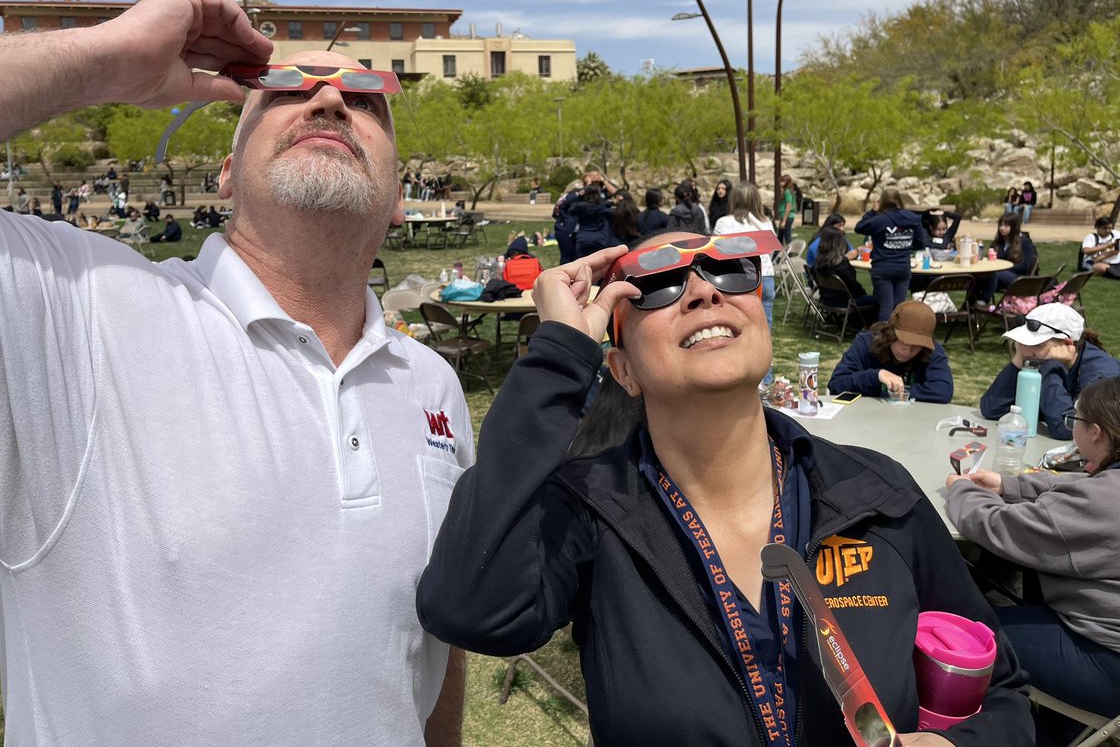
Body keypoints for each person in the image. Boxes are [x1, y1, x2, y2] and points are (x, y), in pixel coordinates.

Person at [0, 0, 470, 744]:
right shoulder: (70, 309)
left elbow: (433, 641)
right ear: (224, 173)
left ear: (400, 199)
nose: (331, 102)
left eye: (368, 99)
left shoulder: (432, 385)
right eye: (286, 87)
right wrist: (97, 60)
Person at [417, 234, 1034, 747]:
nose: (706, 289)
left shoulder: (875, 494)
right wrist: (557, 356)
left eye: (731, 269)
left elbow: (1001, 693)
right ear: (623, 369)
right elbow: (467, 609)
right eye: (655, 283)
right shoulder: (590, 513)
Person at [946, 375, 1120, 726]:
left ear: (1097, 432)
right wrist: (1007, 483)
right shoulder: (1106, 487)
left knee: (962, 636)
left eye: (1076, 420)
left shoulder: (1102, 502)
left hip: (1105, 660)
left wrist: (961, 490)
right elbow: (1081, 487)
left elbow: (996, 526)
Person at [980, 303, 1120, 440]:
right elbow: (992, 409)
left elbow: (1066, 428)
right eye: (1023, 343)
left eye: (1037, 345)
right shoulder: (1033, 357)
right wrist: (1018, 359)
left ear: (1067, 344)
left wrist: (1049, 366)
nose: (1026, 351)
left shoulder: (1101, 374)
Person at [827, 301, 953, 403]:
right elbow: (836, 384)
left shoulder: (931, 350)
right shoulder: (866, 343)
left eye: (917, 345)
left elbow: (943, 391)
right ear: (890, 333)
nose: (908, 350)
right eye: (903, 341)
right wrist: (875, 376)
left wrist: (895, 393)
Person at [714, 181, 778, 334]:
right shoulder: (765, 223)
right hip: (765, 275)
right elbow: (771, 251)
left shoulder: (724, 223)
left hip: (738, 278)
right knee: (765, 325)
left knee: (739, 327)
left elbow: (716, 252)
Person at [855, 186, 923, 322]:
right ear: (899, 200)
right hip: (903, 266)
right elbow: (920, 243)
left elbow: (860, 227)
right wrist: (905, 246)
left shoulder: (879, 220)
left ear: (882, 202)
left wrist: (873, 212)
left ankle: (883, 337)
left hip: (883, 266)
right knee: (898, 307)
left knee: (886, 306)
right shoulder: (912, 218)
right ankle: (897, 336)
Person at [812, 225, 878, 328]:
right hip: (846, 302)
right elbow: (855, 288)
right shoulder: (842, 266)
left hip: (826, 299)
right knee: (881, 299)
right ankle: (870, 326)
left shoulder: (818, 263)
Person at [982, 211, 1036, 298]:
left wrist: (1004, 268)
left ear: (1014, 227)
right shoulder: (998, 243)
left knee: (993, 275)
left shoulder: (1024, 242)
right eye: (1000, 225)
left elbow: (1025, 266)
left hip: (1018, 278)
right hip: (998, 277)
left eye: (1006, 226)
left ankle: (983, 301)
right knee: (978, 279)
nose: (1002, 228)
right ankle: (970, 305)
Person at [566, 181, 614, 259]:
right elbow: (612, 214)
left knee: (582, 263)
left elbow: (570, 210)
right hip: (599, 238)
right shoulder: (602, 205)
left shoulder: (580, 206)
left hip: (583, 237)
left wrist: (579, 197)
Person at [776, 174, 797, 244]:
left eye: (783, 181)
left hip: (787, 217)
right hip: (785, 217)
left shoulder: (787, 192)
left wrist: (784, 221)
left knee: (787, 237)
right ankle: (779, 253)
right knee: (780, 237)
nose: (780, 183)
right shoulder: (785, 191)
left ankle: (790, 254)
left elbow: (789, 206)